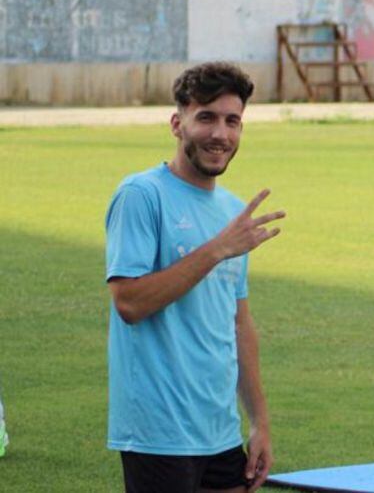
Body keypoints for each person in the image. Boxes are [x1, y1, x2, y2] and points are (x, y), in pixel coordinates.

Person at [104, 62, 285, 493]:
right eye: (205, 117)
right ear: (176, 123)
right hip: (159, 432)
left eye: (232, 121)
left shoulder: (231, 211)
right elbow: (129, 303)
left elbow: (238, 323)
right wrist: (218, 248)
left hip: (219, 431)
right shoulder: (141, 196)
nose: (220, 134)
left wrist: (259, 422)